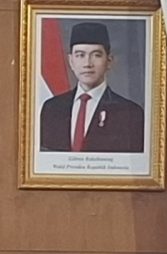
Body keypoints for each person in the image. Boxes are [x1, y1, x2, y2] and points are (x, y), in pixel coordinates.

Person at [36, 21, 145, 154]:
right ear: (71, 61)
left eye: (96, 55)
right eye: (80, 55)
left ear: (109, 61)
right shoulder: (52, 108)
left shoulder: (130, 113)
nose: (87, 63)